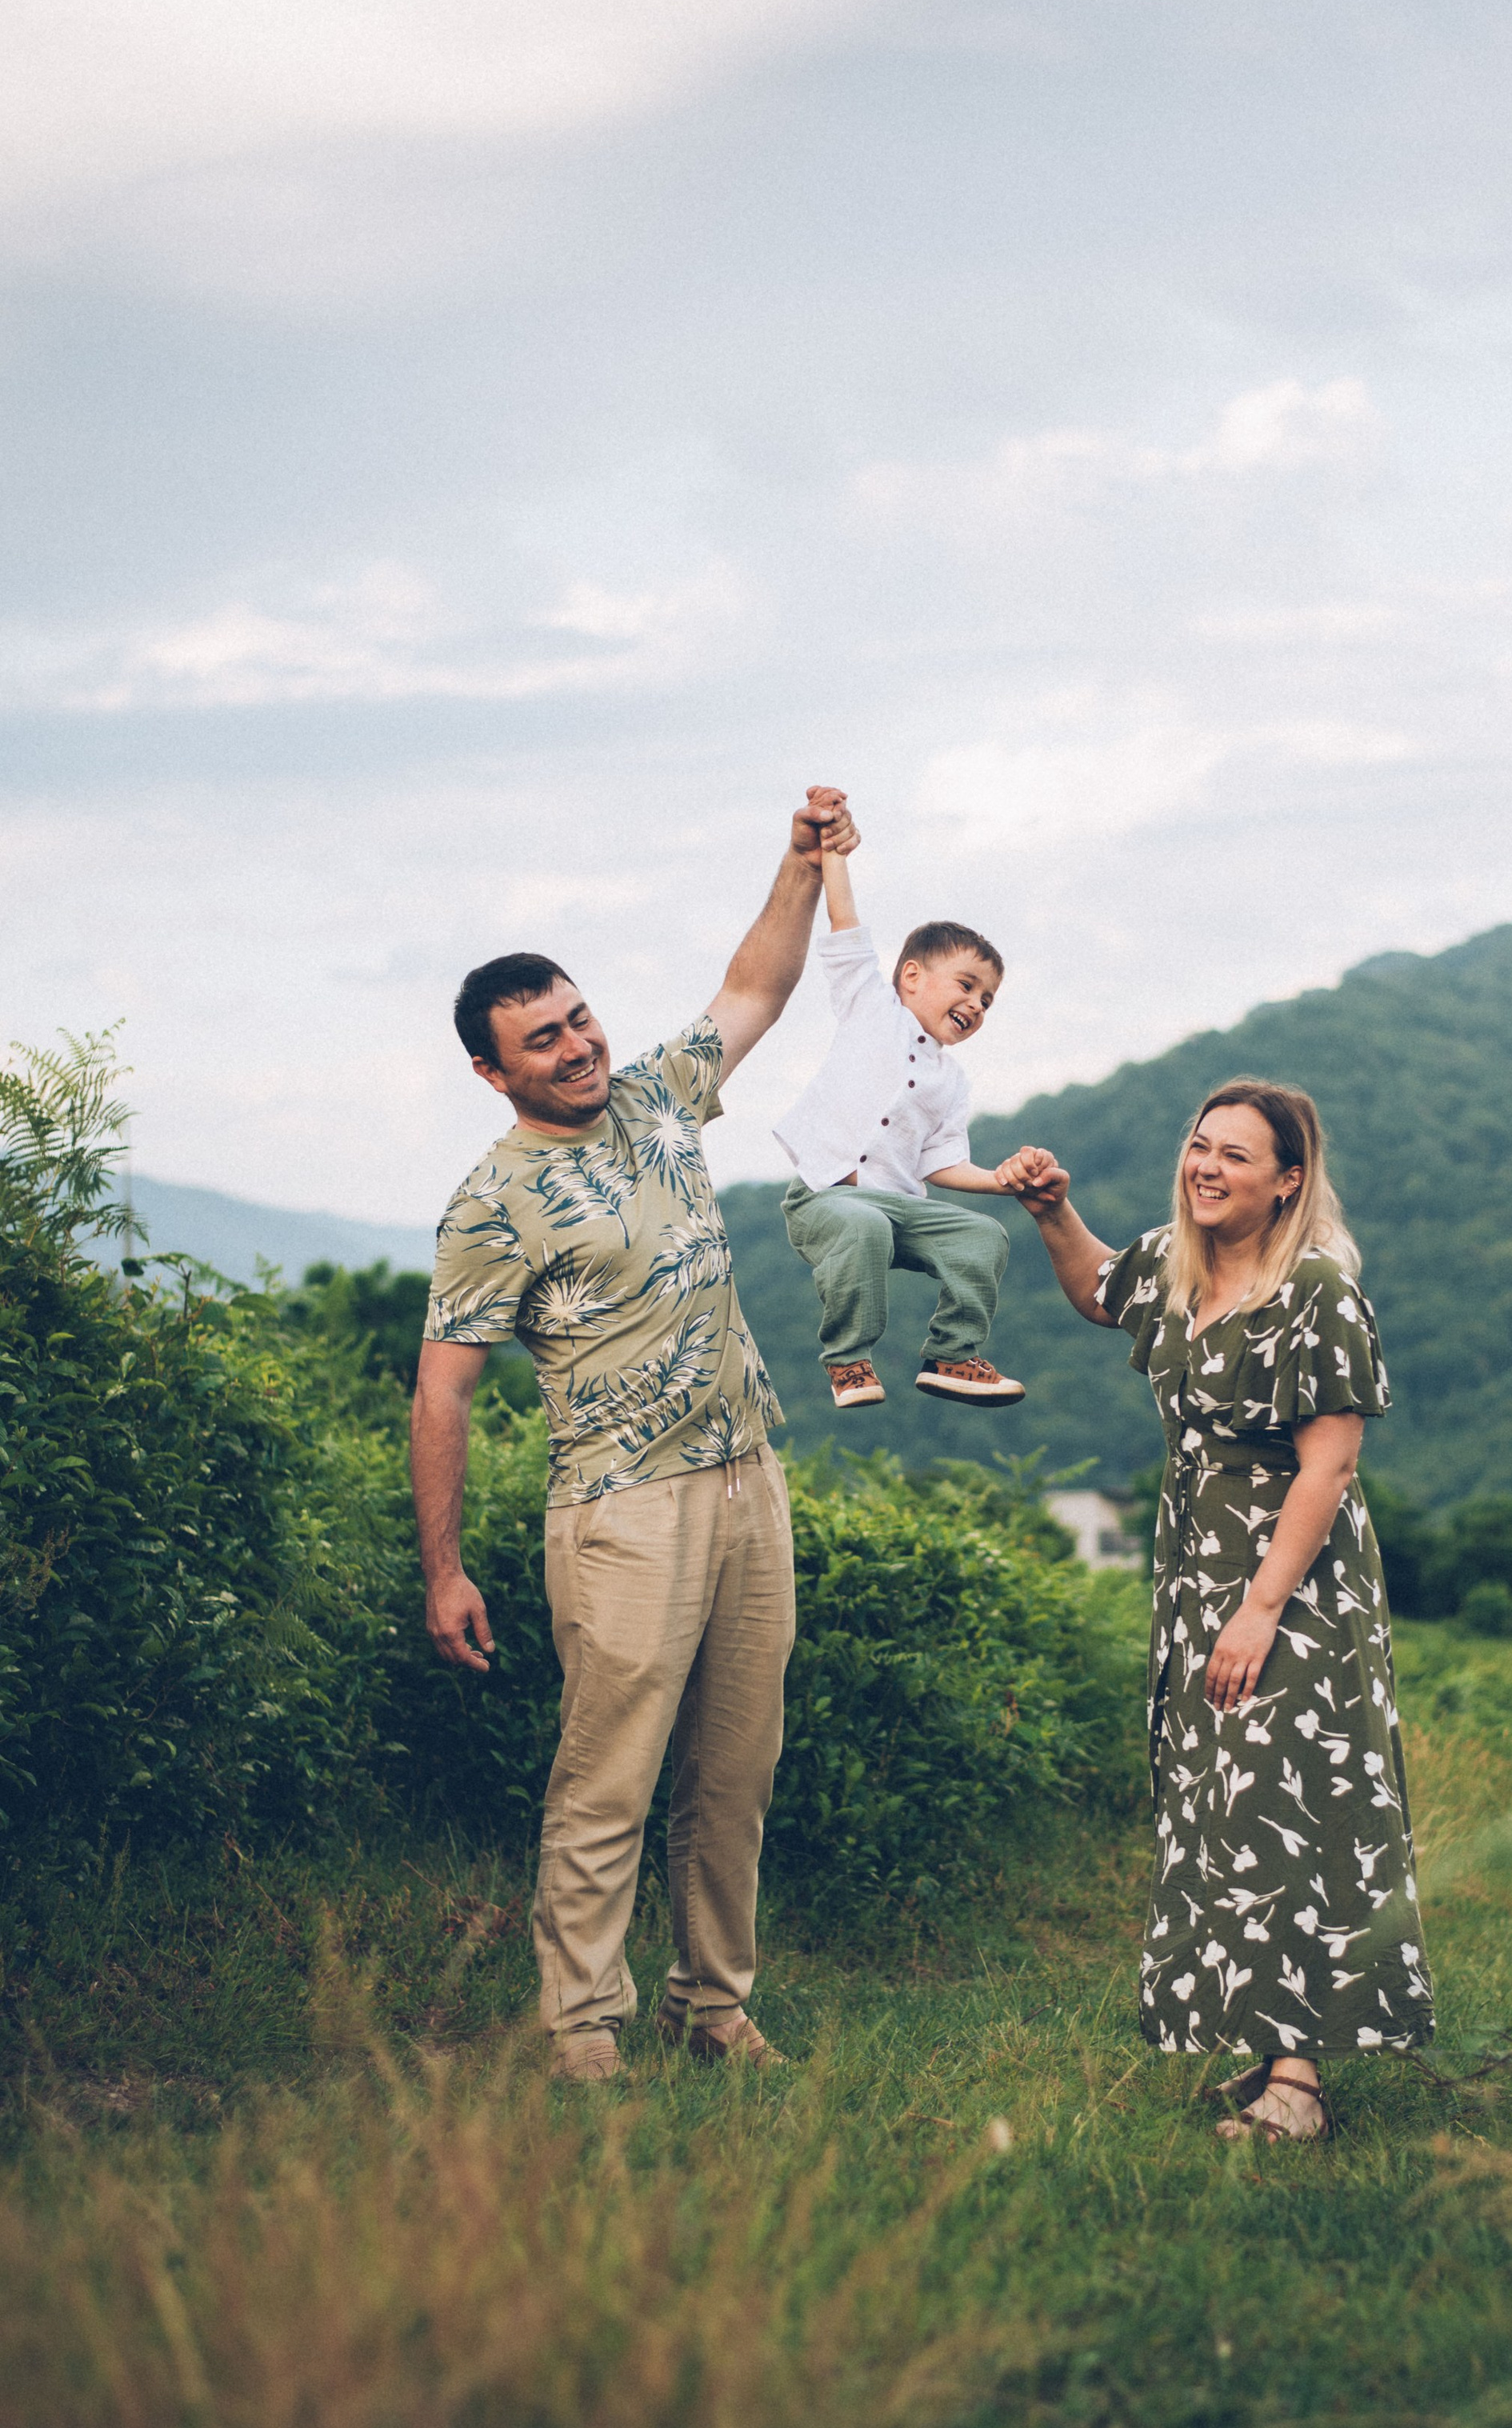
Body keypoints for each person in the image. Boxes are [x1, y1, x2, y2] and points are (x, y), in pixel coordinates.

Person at [409, 787, 858, 2083]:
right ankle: (581, 2029)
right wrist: (444, 1570)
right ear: (494, 1071)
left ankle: (712, 2008)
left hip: (744, 1482)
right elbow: (443, 1392)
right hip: (620, 1511)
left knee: (736, 1772)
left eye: (578, 1016)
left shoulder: (659, 1095)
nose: (576, 1046)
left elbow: (753, 990)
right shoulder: (492, 1205)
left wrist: (796, 862)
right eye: (542, 1040)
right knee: (607, 1782)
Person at [994, 1081, 1433, 2142]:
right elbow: (1103, 1291)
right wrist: (1054, 1211)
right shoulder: (1178, 1266)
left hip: (1294, 1585)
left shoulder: (1317, 1293)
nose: (1208, 1166)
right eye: (1200, 1145)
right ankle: (1265, 2040)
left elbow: (1328, 1465)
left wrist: (1259, 1610)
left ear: (1288, 1180)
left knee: (1294, 1802)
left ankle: (1300, 2080)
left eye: (1235, 1154)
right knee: (1223, 1806)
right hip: (1198, 1575)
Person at [773, 829, 1025, 1412]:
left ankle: (952, 1355)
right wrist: (833, 852)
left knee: (984, 1237)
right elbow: (845, 923)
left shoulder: (951, 1080)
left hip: (900, 1207)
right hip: (824, 1197)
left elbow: (942, 1164)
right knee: (865, 1229)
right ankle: (847, 1359)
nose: (976, 1004)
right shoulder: (869, 1006)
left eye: (987, 999)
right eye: (967, 985)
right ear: (912, 976)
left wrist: (999, 1180)